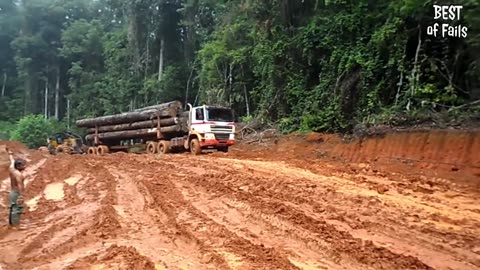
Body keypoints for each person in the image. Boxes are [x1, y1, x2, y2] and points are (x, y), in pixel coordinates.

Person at [6, 147, 26, 228]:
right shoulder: (18, 175)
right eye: (23, 165)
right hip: (16, 192)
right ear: (19, 166)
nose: (25, 167)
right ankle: (16, 226)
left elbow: (12, 161)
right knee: (17, 209)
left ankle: (11, 224)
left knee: (12, 208)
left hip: (12, 193)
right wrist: (21, 196)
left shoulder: (12, 169)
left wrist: (10, 154)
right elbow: (20, 185)